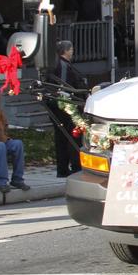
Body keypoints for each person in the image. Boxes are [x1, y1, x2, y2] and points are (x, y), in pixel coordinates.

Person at [46, 40, 87, 178]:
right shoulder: (63, 66)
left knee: (62, 138)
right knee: (72, 136)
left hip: (60, 107)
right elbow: (62, 88)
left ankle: (62, 169)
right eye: (71, 49)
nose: (73, 51)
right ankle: (75, 166)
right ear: (66, 51)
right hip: (66, 108)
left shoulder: (58, 65)